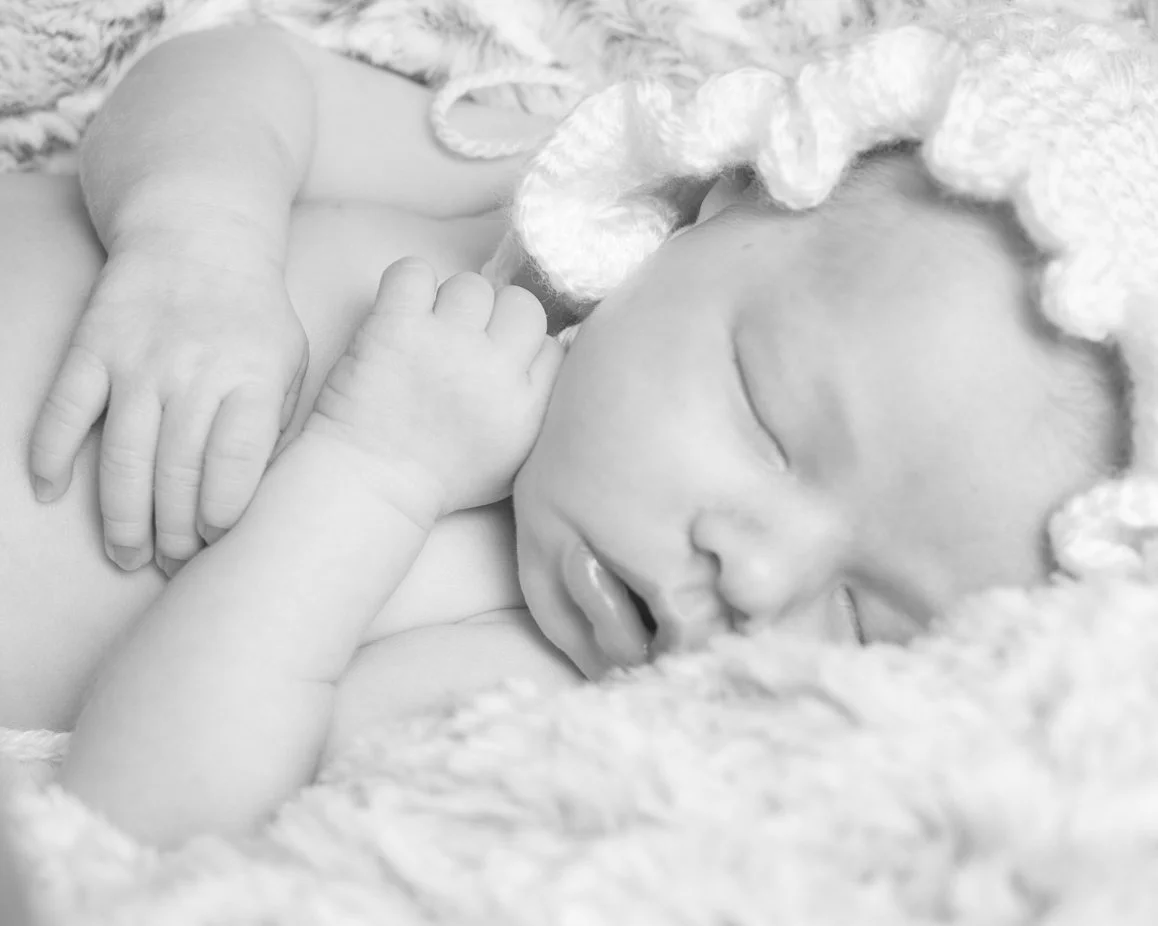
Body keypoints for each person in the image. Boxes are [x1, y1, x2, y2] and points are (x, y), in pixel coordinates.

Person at [0, 7, 1147, 845]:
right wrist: (197, 236)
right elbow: (241, 70)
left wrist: (372, 471)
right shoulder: (534, 194)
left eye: (866, 618)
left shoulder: (538, 683)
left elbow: (147, 812)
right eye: (770, 420)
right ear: (722, 193)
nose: (756, 573)